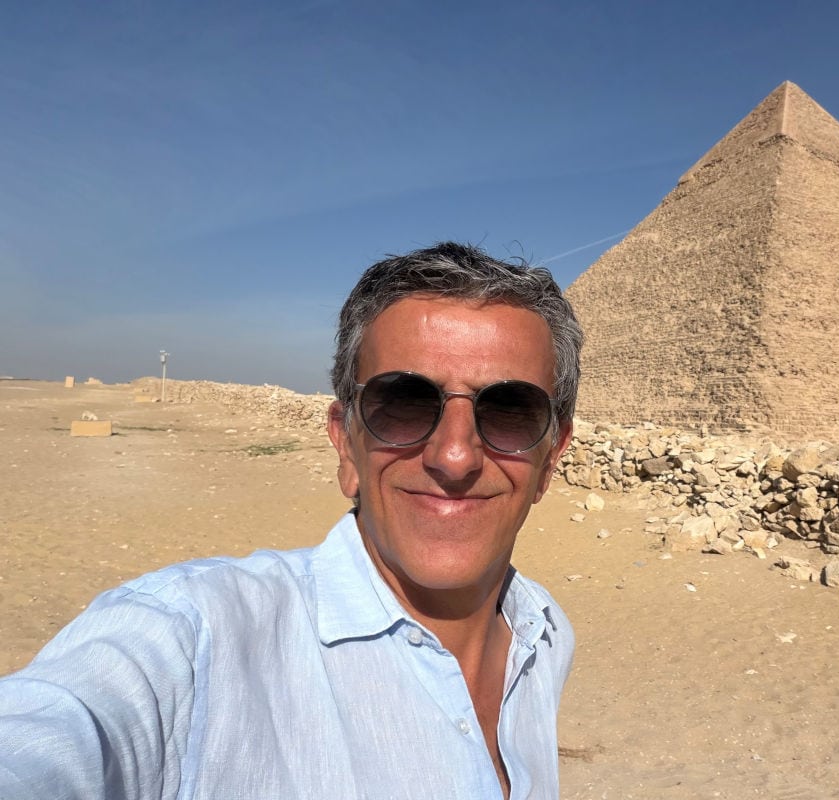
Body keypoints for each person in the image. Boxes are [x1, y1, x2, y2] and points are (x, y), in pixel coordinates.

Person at [0, 242, 582, 799]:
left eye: (510, 410)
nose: (454, 456)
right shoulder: (195, 640)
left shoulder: (545, 635)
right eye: (404, 402)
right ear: (345, 444)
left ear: (552, 456)